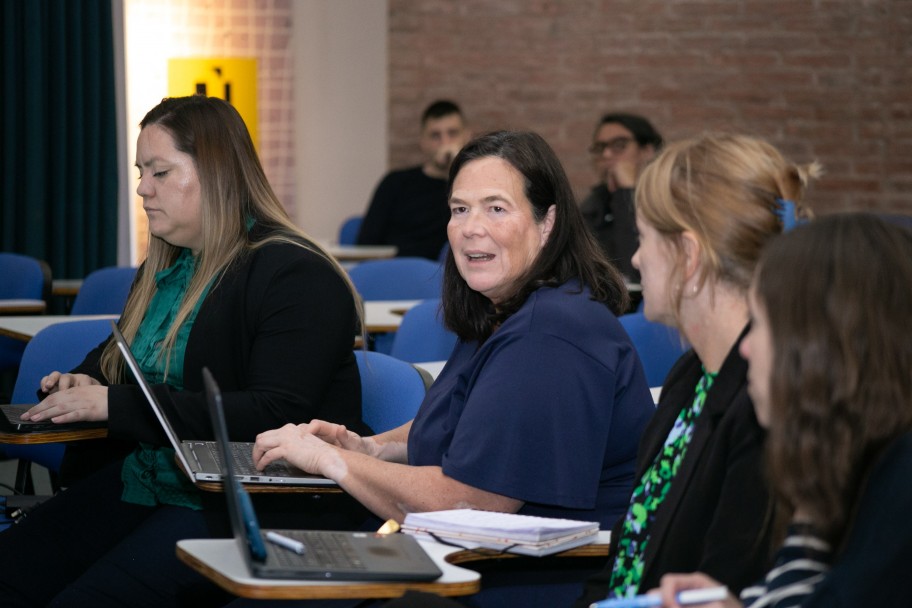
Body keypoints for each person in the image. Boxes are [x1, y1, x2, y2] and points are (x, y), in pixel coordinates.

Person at [251, 130, 656, 606]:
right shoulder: (502, 310)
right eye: (460, 209)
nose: (470, 227)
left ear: (548, 221)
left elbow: (470, 504)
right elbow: (462, 421)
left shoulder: (549, 332)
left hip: (530, 584)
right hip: (469, 564)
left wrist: (334, 461)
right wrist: (372, 448)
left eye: (496, 208)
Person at [0, 95, 368, 607]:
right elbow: (122, 352)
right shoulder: (171, 266)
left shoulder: (294, 274)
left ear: (216, 173)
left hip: (256, 499)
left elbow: (277, 412)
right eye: (140, 172)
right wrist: (87, 380)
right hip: (155, 476)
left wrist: (114, 404)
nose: (142, 189)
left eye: (160, 172)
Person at [575, 133, 821, 606]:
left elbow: (723, 580)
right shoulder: (690, 375)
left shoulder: (765, 403)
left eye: (644, 238)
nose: (635, 258)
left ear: (688, 256)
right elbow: (625, 561)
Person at [654, 214, 912, 607]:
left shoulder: (899, 489)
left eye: (759, 324)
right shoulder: (840, 470)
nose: (745, 347)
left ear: (819, 345)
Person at [356, 99, 470, 260]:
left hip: (449, 277)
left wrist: (457, 170)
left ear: (466, 136)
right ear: (423, 141)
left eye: (452, 133)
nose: (445, 143)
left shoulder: (472, 188)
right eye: (435, 136)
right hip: (398, 271)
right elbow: (365, 244)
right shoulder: (395, 183)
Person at [579, 112, 662, 284]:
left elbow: (635, 272)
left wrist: (627, 191)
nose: (607, 154)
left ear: (647, 151)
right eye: (600, 148)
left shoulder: (665, 204)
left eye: (619, 145)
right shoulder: (592, 206)